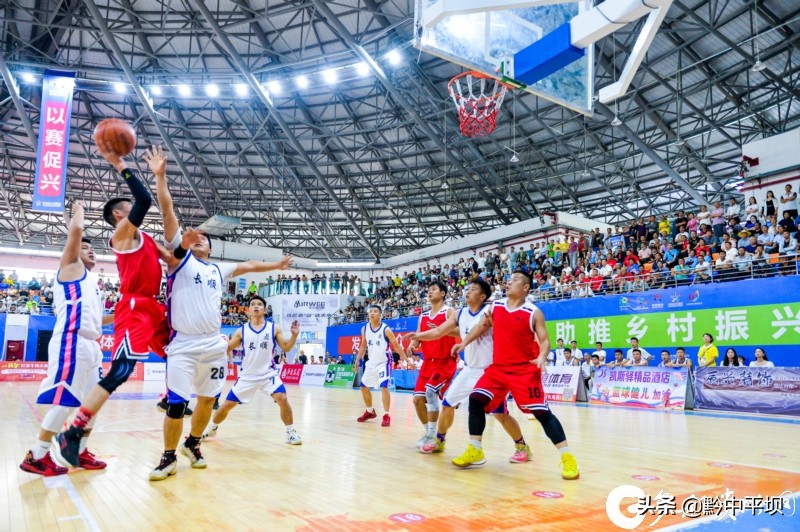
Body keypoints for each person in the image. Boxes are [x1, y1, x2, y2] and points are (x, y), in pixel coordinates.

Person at [53, 144, 171, 467]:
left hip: (153, 308)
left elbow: (172, 254)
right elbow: (145, 201)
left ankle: (171, 396)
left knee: (180, 350)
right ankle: (73, 430)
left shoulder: (145, 239)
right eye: (129, 208)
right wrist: (119, 163)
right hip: (134, 307)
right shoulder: (122, 236)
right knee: (121, 370)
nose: (135, 209)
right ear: (120, 216)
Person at [449, 271, 579, 480]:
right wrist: (463, 343)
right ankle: (475, 448)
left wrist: (543, 357)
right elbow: (480, 327)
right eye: (509, 279)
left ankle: (568, 458)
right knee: (475, 400)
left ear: (526, 288)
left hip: (524, 370)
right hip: (498, 369)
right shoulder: (496, 306)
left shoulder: (533, 312)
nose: (509, 282)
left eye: (516, 280)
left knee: (542, 414)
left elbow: (544, 340)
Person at [20, 204, 113, 476]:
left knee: (92, 404)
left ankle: (79, 451)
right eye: (84, 248)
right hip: (71, 343)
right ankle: (37, 456)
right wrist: (80, 209)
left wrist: (123, 313)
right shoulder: (71, 268)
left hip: (91, 345)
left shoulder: (91, 283)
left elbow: (97, 320)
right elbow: (75, 230)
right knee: (65, 402)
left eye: (92, 248)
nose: (90, 250)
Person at [410, 279, 531, 463]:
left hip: (491, 372)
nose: (468, 291)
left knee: (499, 414)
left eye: (473, 289)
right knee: (448, 404)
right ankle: (440, 440)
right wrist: (417, 335)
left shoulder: (491, 311)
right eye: (467, 288)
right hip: (470, 369)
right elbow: (438, 332)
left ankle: (522, 447)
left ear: (482, 296)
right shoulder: (460, 314)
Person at [202, 296, 302, 445]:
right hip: (247, 376)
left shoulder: (274, 328)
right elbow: (227, 348)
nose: (256, 306)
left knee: (282, 398)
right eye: (253, 304)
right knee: (226, 406)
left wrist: (294, 336)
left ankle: (291, 432)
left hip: (268, 374)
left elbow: (286, 347)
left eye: (260, 304)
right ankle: (212, 427)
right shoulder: (241, 331)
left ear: (264, 309)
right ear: (248, 310)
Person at [406, 281, 458, 450]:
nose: (429, 292)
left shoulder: (449, 311)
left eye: (433, 289)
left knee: (430, 392)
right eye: (428, 290)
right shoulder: (423, 315)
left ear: (443, 293)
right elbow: (419, 336)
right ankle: (430, 432)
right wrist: (413, 345)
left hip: (444, 362)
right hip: (428, 363)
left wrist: (442, 329)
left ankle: (433, 436)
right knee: (417, 400)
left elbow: (461, 330)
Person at [354, 304, 407, 427]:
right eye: (370, 311)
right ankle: (370, 411)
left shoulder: (386, 329)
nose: (372, 313)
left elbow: (397, 346)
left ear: (380, 315)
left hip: (384, 362)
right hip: (371, 363)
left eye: (375, 311)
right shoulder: (365, 329)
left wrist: (406, 360)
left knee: (384, 386)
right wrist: (357, 360)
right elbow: (363, 345)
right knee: (363, 386)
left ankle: (386, 415)